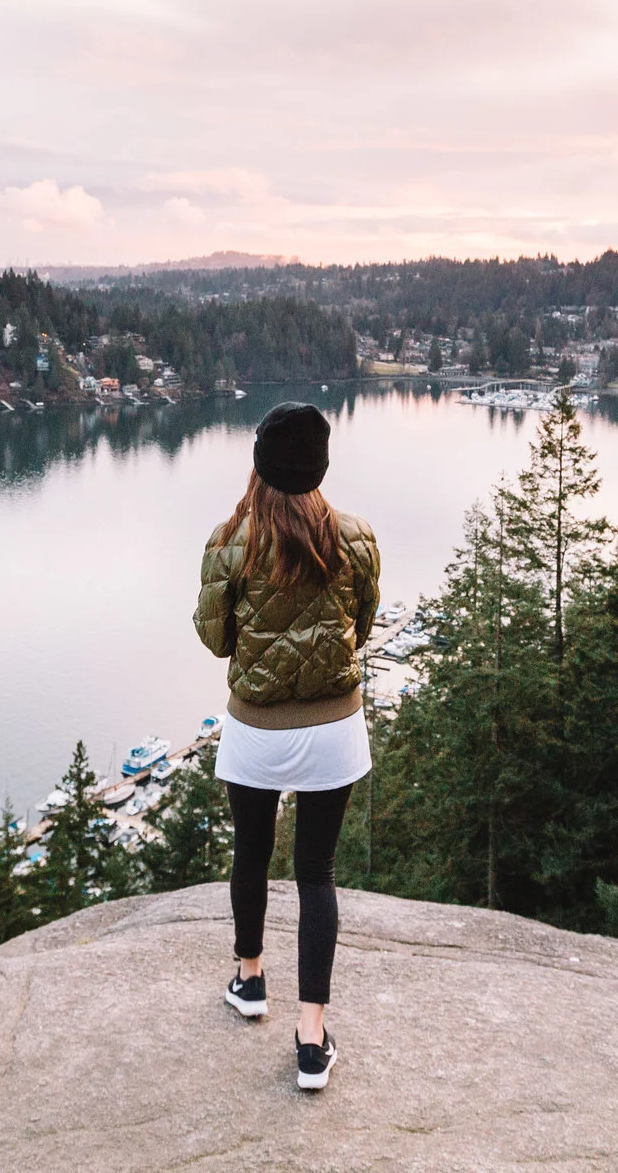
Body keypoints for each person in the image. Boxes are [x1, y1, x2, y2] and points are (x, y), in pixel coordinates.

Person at [192, 401, 380, 1092]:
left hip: (257, 729)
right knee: (316, 873)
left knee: (250, 853)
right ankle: (310, 1037)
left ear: (260, 463)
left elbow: (216, 639)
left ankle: (250, 980)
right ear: (320, 465)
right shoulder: (355, 536)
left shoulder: (231, 540)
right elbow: (362, 623)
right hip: (334, 728)